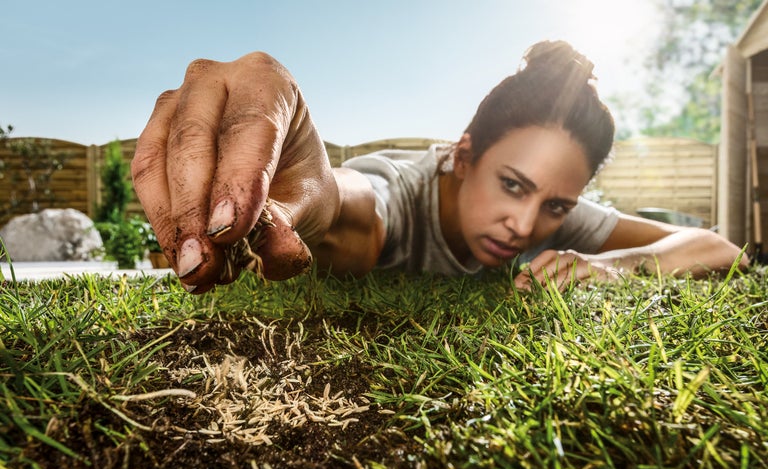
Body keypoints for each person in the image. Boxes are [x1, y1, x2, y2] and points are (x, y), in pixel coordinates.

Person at [131, 40, 749, 295]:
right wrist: (313, 199)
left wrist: (610, 265)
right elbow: (353, 210)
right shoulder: (401, 191)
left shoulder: (555, 221)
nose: (524, 224)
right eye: (512, 185)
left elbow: (720, 249)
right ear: (461, 156)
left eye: (555, 205)